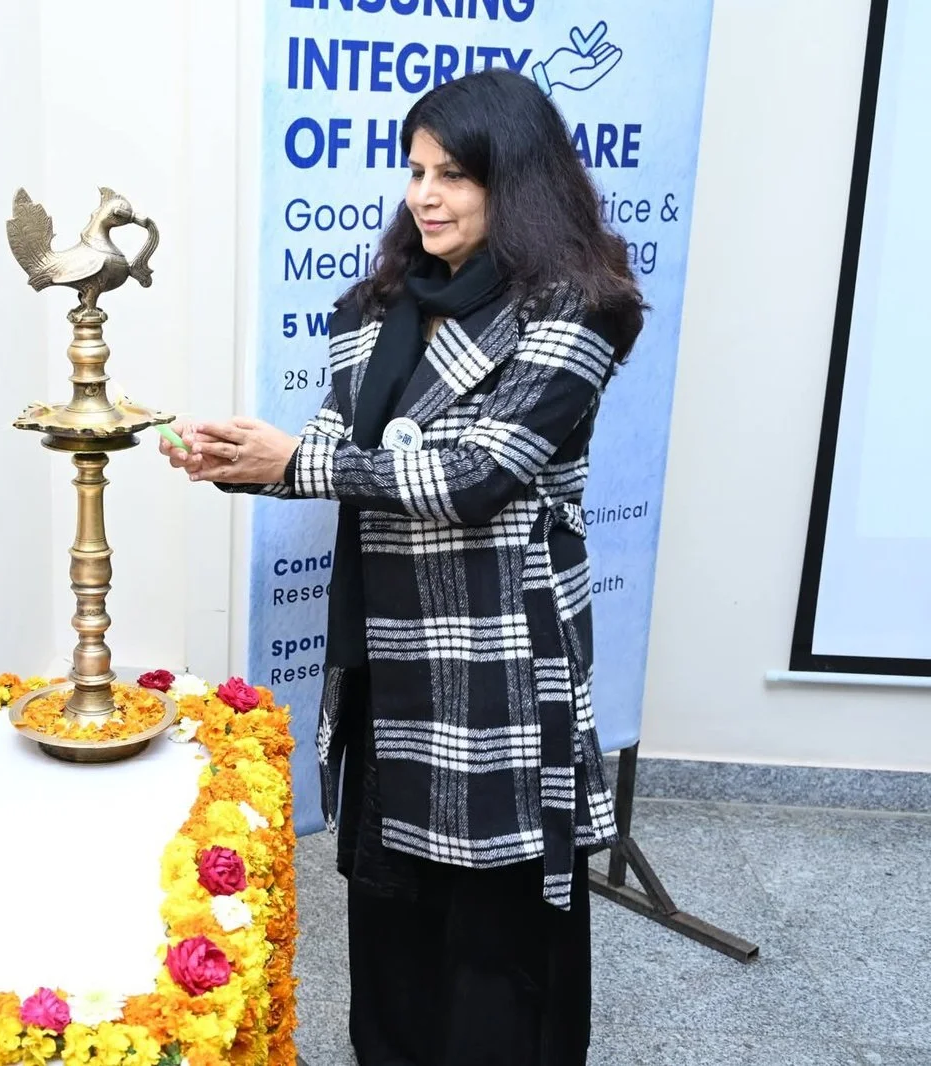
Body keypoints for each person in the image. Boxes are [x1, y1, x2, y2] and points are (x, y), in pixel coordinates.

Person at [161, 69, 644, 1065]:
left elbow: (480, 472)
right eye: (416, 171)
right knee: (392, 918)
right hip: (386, 651)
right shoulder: (377, 306)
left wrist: (297, 463)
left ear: (517, 180)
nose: (425, 195)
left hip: (497, 662)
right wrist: (238, 459)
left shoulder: (577, 309)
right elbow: (337, 448)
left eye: (453, 174)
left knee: (497, 927)